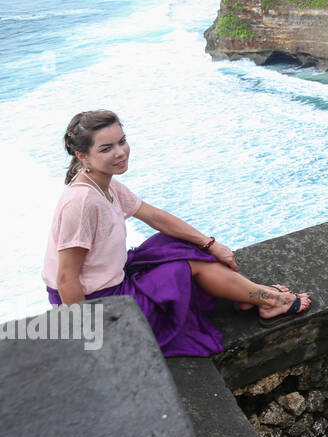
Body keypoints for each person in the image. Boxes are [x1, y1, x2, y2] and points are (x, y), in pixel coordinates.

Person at [47, 111, 310, 357]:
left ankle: (250, 296)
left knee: (179, 242)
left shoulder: (105, 184)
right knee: (186, 265)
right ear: (82, 156)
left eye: (122, 141)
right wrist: (92, 341)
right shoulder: (82, 203)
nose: (120, 153)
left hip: (115, 279)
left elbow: (155, 217)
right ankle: (268, 300)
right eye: (106, 148)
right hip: (103, 304)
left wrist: (211, 244)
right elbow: (66, 278)